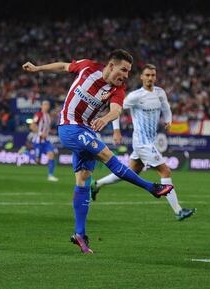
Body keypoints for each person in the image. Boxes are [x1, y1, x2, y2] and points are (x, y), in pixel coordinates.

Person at [22, 49, 174, 254]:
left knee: (83, 181)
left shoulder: (117, 89)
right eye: (124, 70)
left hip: (85, 129)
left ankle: (79, 234)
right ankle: (151, 188)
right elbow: (64, 66)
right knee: (107, 156)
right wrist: (38, 68)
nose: (126, 75)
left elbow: (116, 110)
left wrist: (106, 118)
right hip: (69, 127)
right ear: (111, 66)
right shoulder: (88, 67)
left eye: (128, 71)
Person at [91, 64, 196, 221]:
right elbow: (116, 110)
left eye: (153, 75)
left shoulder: (160, 93)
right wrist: (116, 130)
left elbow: (166, 107)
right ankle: (178, 211)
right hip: (142, 142)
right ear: (141, 77)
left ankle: (96, 184)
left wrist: (168, 120)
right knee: (165, 171)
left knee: (131, 172)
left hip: (148, 141)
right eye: (147, 75)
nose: (150, 78)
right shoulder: (135, 96)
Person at [29, 100, 58, 181]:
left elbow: (47, 129)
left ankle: (50, 175)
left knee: (51, 155)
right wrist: (41, 133)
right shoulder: (38, 114)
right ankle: (25, 152)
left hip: (46, 141)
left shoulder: (48, 116)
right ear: (41, 106)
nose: (46, 106)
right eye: (44, 104)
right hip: (38, 141)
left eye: (47, 105)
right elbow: (32, 126)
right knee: (37, 161)